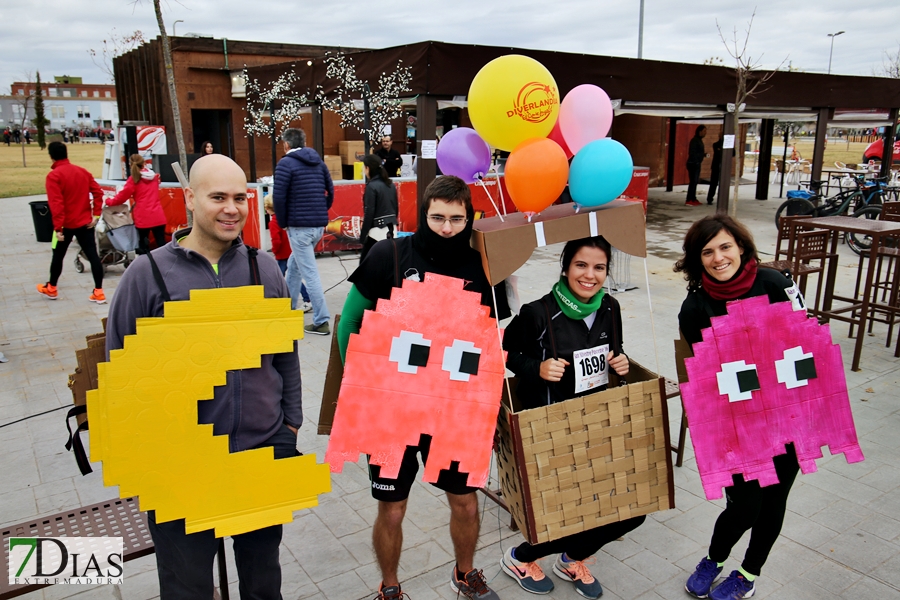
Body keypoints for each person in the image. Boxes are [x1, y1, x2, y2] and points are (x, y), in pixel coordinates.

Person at [105, 154, 303, 600]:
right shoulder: (148, 275)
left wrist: (290, 425)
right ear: (190, 199)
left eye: (240, 198)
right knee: (188, 586)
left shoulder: (263, 268)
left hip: (259, 451)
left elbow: (286, 354)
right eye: (218, 197)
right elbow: (120, 375)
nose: (231, 208)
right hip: (180, 466)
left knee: (262, 582)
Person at [337, 176, 504, 600]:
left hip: (453, 412)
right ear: (423, 215)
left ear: (469, 218)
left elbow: (488, 341)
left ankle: (465, 573)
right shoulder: (388, 255)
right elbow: (350, 323)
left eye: (456, 219)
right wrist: (360, 388)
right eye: (437, 218)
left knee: (466, 501)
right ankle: (389, 587)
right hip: (392, 412)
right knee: (391, 509)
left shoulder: (484, 265)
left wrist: (486, 405)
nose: (446, 227)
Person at [500, 236, 643, 599]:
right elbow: (504, 352)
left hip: (598, 422)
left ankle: (571, 557)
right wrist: (537, 367)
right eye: (581, 265)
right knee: (566, 509)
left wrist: (621, 364)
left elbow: (615, 351)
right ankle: (519, 558)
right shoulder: (538, 312)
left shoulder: (610, 307)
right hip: (550, 428)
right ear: (565, 267)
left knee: (634, 510)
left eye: (599, 267)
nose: (590, 275)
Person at [674, 215, 800, 600]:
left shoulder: (775, 284)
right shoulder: (694, 308)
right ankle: (713, 559)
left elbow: (806, 343)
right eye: (707, 252)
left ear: (741, 246)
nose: (718, 258)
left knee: (774, 501)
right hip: (737, 425)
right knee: (745, 505)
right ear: (698, 260)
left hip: (787, 417)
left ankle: (747, 574)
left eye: (725, 246)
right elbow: (698, 376)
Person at [273, 127, 334, 335]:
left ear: (286, 144)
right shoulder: (319, 162)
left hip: (298, 227)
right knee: (294, 267)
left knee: (309, 272)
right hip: (317, 226)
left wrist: (282, 222)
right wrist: (319, 211)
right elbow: (330, 191)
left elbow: (278, 198)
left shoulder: (285, 164)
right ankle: (287, 308)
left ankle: (321, 320)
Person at [37, 141, 106, 304]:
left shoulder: (54, 176)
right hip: (84, 223)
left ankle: (52, 287)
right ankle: (99, 291)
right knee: (93, 256)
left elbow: (56, 203)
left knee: (58, 256)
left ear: (51, 156)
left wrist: (57, 228)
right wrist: (95, 215)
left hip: (65, 225)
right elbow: (98, 193)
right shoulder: (82, 172)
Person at [106, 154, 167, 254]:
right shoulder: (154, 177)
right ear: (144, 163)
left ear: (130, 165)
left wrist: (108, 201)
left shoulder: (133, 179)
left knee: (142, 246)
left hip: (142, 217)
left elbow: (121, 197)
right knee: (162, 244)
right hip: (158, 215)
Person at [264, 195, 312, 312]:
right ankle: (307, 299)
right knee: (294, 277)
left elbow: (276, 240)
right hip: (290, 252)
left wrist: (275, 251)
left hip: (281, 255)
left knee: (278, 278)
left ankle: (279, 300)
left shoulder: (273, 223)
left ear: (269, 208)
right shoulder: (284, 219)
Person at [359, 154, 398, 262]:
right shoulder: (390, 184)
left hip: (376, 231)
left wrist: (363, 237)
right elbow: (396, 209)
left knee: (365, 265)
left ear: (368, 168)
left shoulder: (371, 186)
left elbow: (369, 212)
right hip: (392, 228)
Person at [686, 125, 708, 206]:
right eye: (704, 131)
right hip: (693, 163)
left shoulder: (699, 140)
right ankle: (689, 199)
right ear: (700, 131)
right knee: (693, 181)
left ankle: (693, 198)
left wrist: (703, 155)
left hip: (697, 163)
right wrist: (697, 160)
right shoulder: (695, 140)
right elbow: (693, 152)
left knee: (695, 182)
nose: (705, 133)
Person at [706, 135, 724, 206]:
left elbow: (733, 153)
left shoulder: (727, 145)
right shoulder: (716, 144)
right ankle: (710, 198)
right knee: (714, 183)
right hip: (716, 166)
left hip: (723, 166)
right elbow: (719, 153)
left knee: (722, 184)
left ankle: (721, 198)